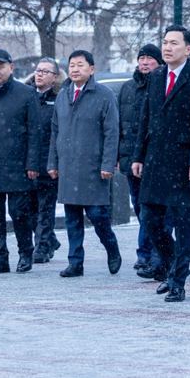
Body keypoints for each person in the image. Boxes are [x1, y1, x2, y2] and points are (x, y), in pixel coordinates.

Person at [132, 25, 190, 302]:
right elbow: (146, 119)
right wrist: (138, 156)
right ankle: (171, 267)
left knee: (184, 222)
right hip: (156, 160)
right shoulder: (156, 77)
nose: (167, 48)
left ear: (188, 49)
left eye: (174, 43)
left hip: (184, 163)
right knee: (151, 220)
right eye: (165, 42)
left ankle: (178, 280)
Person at [48, 50, 121, 276]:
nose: (75, 69)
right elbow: (55, 131)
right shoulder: (63, 95)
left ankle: (112, 249)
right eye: (72, 65)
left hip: (93, 168)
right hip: (68, 167)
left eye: (80, 65)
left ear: (92, 69)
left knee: (98, 217)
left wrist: (108, 164)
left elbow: (112, 133)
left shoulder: (103, 95)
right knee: (72, 219)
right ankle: (75, 262)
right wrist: (53, 162)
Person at [0, 48, 40, 274]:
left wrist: (33, 163)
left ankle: (25, 253)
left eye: (0, 67)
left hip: (17, 164)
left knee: (19, 213)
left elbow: (35, 132)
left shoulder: (25, 94)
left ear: (11, 68)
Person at [120, 44, 162, 273]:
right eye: (142, 58)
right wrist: (120, 156)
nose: (145, 62)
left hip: (154, 159)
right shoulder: (127, 88)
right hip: (130, 158)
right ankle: (147, 251)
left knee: (150, 208)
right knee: (139, 207)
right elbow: (120, 125)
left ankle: (150, 253)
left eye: (149, 58)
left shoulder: (162, 85)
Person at [30, 58, 62, 264]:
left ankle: (42, 247)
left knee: (45, 209)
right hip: (29, 162)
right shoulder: (27, 96)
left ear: (54, 77)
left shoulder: (59, 100)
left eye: (45, 71)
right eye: (38, 70)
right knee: (27, 209)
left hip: (49, 163)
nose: (39, 74)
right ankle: (50, 239)